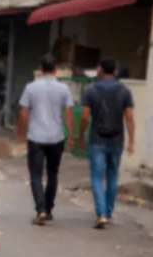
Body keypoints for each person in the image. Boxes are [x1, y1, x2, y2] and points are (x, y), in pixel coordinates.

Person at [17, 55, 74, 225]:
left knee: (35, 174)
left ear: (41, 70)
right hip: (56, 137)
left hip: (36, 137)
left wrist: (22, 132)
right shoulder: (64, 88)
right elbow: (69, 113)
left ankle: (40, 210)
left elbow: (23, 112)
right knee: (52, 174)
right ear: (55, 70)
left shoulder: (31, 87)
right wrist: (70, 135)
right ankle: (48, 209)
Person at [79, 59, 135, 229]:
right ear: (115, 70)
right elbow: (129, 118)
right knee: (112, 177)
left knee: (97, 177)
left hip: (97, 140)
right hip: (117, 140)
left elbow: (84, 116)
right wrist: (131, 141)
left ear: (101, 70)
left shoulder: (91, 90)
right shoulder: (124, 91)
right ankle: (108, 213)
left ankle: (101, 214)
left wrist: (80, 134)